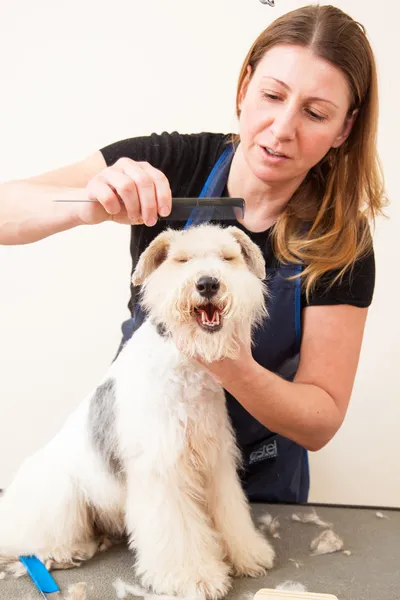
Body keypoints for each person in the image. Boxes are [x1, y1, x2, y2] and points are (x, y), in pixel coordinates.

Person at [0, 4, 386, 504]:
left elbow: (321, 418)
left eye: (315, 113)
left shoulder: (339, 239)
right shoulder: (171, 163)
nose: (282, 128)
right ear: (245, 86)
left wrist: (232, 366)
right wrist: (86, 204)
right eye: (271, 95)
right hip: (141, 465)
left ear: (344, 129)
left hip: (257, 487)